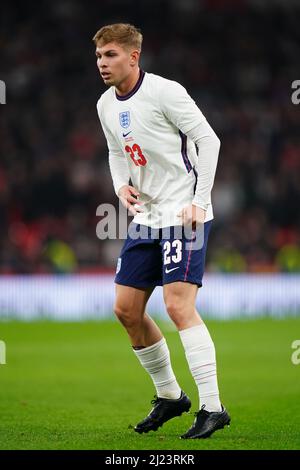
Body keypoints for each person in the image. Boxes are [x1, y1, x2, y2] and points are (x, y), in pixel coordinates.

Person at [94, 23, 230, 439]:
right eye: (99, 56)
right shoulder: (104, 104)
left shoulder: (166, 92)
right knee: (126, 310)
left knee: (177, 306)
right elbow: (117, 152)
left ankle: (213, 407)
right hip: (147, 218)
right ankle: (171, 396)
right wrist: (120, 186)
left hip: (184, 214)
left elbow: (209, 141)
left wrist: (201, 202)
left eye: (111, 55)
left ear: (134, 57)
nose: (102, 64)